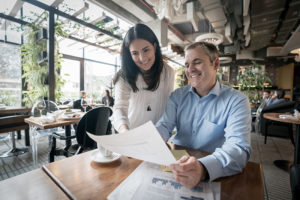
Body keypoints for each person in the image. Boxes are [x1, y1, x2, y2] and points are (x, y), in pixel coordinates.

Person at [156, 42, 251, 188]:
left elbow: (239, 149)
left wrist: (203, 168)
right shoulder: (177, 96)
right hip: (176, 165)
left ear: (216, 64)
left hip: (212, 171)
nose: (190, 69)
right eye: (187, 65)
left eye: (197, 62)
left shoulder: (237, 100)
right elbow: (164, 125)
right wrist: (155, 139)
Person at [112, 23, 174, 133]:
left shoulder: (168, 72)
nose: (142, 58)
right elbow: (120, 108)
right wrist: (125, 131)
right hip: (131, 134)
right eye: (135, 53)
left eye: (146, 50)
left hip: (159, 136)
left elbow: (168, 106)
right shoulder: (123, 76)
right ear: (129, 55)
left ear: (154, 47)